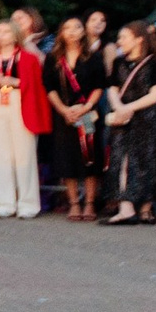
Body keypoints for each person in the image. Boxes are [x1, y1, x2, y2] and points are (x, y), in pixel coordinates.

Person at [0, 19, 49, 218]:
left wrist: (14, 81)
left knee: (24, 155)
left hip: (19, 102)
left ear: (15, 34)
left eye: (6, 31)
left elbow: (36, 87)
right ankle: (4, 203)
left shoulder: (28, 58)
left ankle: (28, 203)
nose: (1, 35)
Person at [101, 21, 156, 224]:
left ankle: (146, 207)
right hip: (123, 120)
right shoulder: (118, 62)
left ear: (139, 39)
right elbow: (112, 88)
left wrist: (129, 108)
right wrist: (119, 107)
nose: (119, 41)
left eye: (124, 37)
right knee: (121, 160)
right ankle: (126, 208)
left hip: (147, 119)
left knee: (147, 161)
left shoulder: (155, 63)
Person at [42, 18, 105, 222]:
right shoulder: (53, 58)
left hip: (88, 112)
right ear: (60, 33)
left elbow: (99, 85)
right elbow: (49, 87)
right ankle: (74, 203)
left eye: (77, 27)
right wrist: (63, 110)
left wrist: (87, 107)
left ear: (83, 32)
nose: (72, 32)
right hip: (65, 115)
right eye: (66, 28)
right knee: (66, 158)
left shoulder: (93, 57)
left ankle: (89, 203)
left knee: (90, 157)